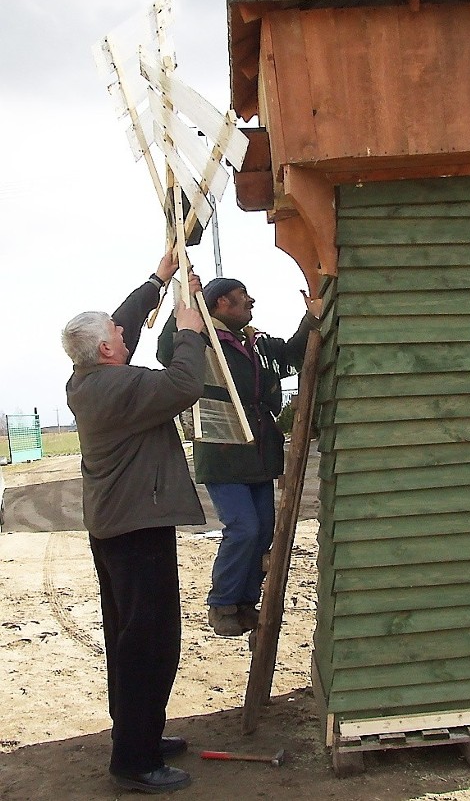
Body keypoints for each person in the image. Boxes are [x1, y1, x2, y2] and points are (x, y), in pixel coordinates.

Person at [62, 253, 206, 795]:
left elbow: (120, 323)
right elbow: (187, 381)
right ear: (106, 350)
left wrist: (160, 277)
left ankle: (136, 735)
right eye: (118, 335)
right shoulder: (119, 389)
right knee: (150, 643)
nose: (126, 333)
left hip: (116, 528)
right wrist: (188, 326)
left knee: (128, 637)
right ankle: (135, 761)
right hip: (136, 531)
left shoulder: (87, 379)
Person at [157, 278, 320, 636]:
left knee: (262, 531)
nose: (251, 302)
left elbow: (292, 358)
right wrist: (186, 303)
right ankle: (223, 603)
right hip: (223, 450)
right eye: (242, 297)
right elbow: (168, 351)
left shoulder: (256, 343)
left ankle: (245, 603)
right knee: (243, 527)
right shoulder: (201, 342)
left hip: (259, 451)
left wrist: (311, 318)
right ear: (218, 304)